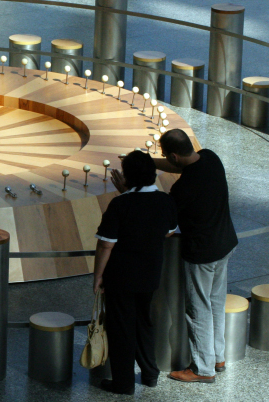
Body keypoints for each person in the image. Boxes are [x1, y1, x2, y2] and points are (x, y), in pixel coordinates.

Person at [149, 129, 237, 383]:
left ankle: (202, 369)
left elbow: (166, 226)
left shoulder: (183, 188)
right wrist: (150, 161)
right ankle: (218, 357)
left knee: (197, 310)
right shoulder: (210, 157)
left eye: (165, 155)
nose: (165, 158)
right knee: (215, 304)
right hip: (225, 244)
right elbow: (180, 164)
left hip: (202, 254)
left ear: (174, 156)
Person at [95, 151, 178, 395]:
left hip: (121, 277)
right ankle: (150, 374)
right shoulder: (165, 200)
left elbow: (106, 244)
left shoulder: (121, 204)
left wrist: (98, 276)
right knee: (144, 323)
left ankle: (123, 383)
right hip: (150, 275)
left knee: (121, 328)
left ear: (126, 177)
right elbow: (169, 231)